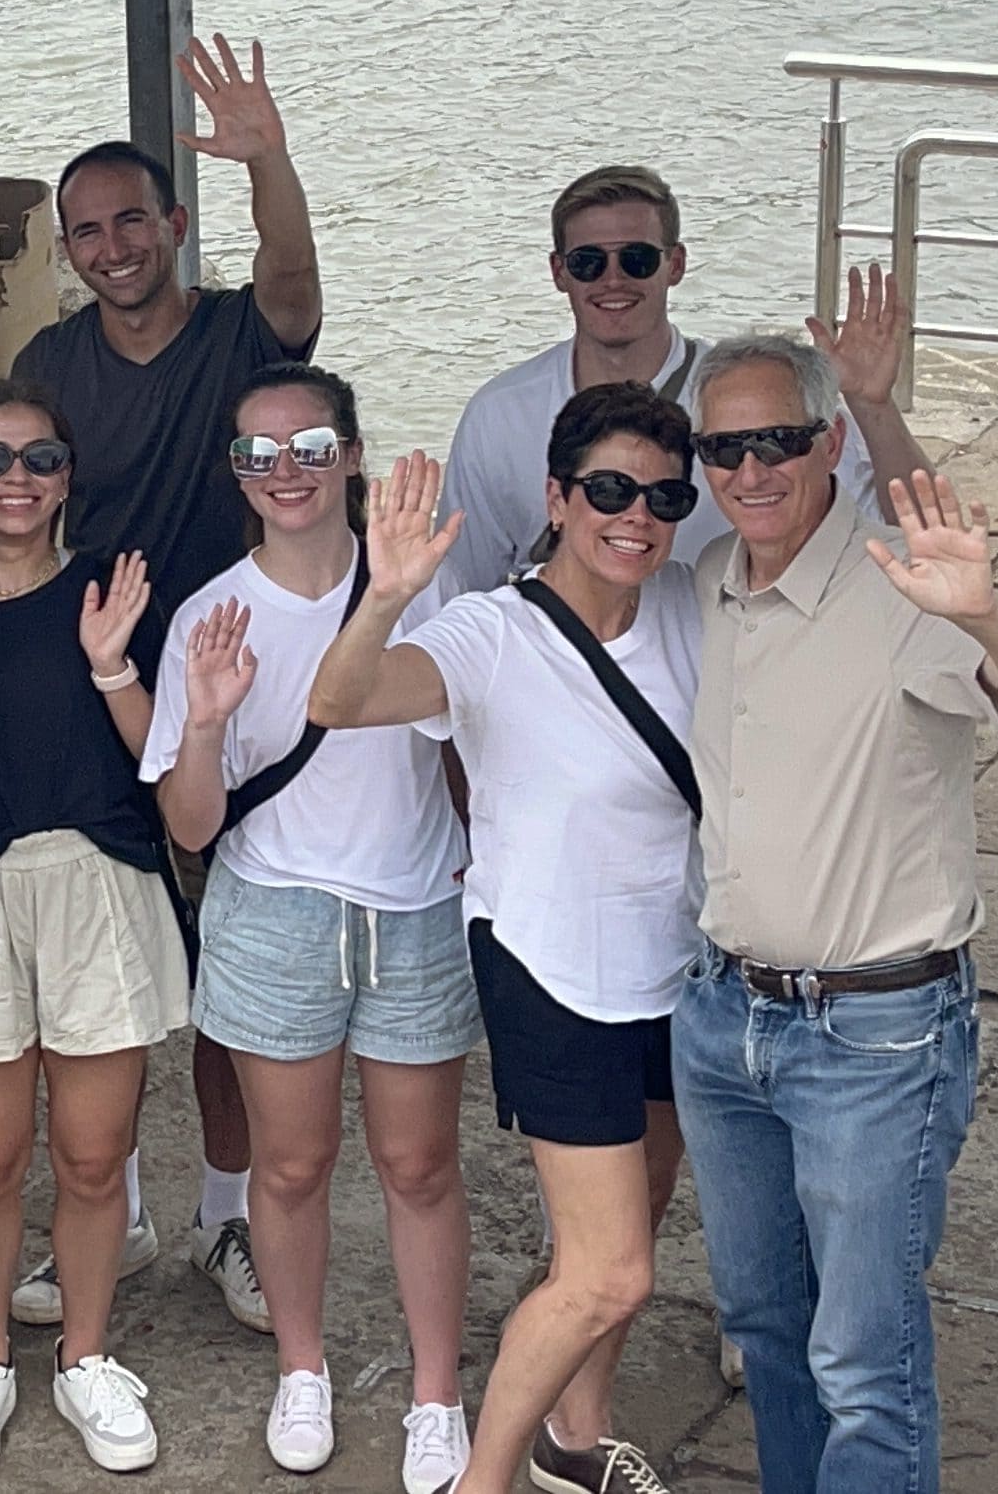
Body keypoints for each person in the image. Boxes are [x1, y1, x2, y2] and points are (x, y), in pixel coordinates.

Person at [671, 334, 998, 1494]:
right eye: (724, 448)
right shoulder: (705, 582)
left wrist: (989, 612)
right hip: (720, 1018)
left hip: (875, 1032)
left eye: (778, 442)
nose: (751, 471)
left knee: (865, 1359)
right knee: (762, 1324)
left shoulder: (898, 588)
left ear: (829, 443)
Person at [308, 385, 708, 1494]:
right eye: (609, 490)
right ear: (557, 495)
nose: (635, 516)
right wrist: (383, 596)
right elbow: (341, 702)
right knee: (609, 1272)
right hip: (553, 969)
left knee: (638, 1220)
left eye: (663, 495)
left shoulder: (686, 603)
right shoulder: (490, 629)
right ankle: (483, 1481)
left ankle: (573, 1442)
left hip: (674, 971)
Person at [6, 34, 322, 1336]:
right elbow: (19, 519)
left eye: (133, 219)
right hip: (100, 694)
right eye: (87, 231)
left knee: (231, 985)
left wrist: (272, 161)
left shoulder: (244, 332)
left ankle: (225, 1218)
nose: (113, 245)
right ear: (68, 252)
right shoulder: (49, 370)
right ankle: (116, 1212)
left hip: (235, 693)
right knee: (105, 978)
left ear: (174, 224)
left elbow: (297, 277)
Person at [141, 363, 478, 1493]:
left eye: (308, 445)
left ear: (348, 452)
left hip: (415, 903)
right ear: (236, 473)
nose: (284, 471)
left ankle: (436, 1393)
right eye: (257, 453)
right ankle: (303, 1368)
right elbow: (190, 826)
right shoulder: (210, 611)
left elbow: (472, 751)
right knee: (288, 1165)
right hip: (275, 909)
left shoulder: (430, 587)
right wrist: (204, 723)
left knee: (420, 1163)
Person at [0, 380, 185, 1480]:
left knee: (91, 1156)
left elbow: (159, 759)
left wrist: (113, 662)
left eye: (37, 459)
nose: (15, 479)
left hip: (101, 883)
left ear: (67, 476)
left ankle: (83, 1353)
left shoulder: (111, 590)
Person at [434, 165, 931, 602]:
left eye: (637, 259)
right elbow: (461, 587)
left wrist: (873, 406)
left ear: (675, 264)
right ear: (559, 273)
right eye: (589, 262)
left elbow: (910, 532)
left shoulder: (748, 396)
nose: (613, 280)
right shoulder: (499, 415)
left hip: (730, 661)